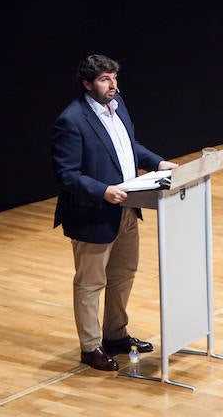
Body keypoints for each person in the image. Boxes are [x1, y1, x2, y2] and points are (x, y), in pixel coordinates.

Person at [51, 54, 179, 371]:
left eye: (114, 78)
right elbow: (66, 174)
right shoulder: (72, 120)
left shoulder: (117, 105)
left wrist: (158, 162)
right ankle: (90, 346)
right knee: (91, 283)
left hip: (127, 207)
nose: (113, 85)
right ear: (87, 84)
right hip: (93, 213)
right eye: (105, 79)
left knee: (123, 275)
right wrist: (103, 191)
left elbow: (129, 146)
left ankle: (115, 335)